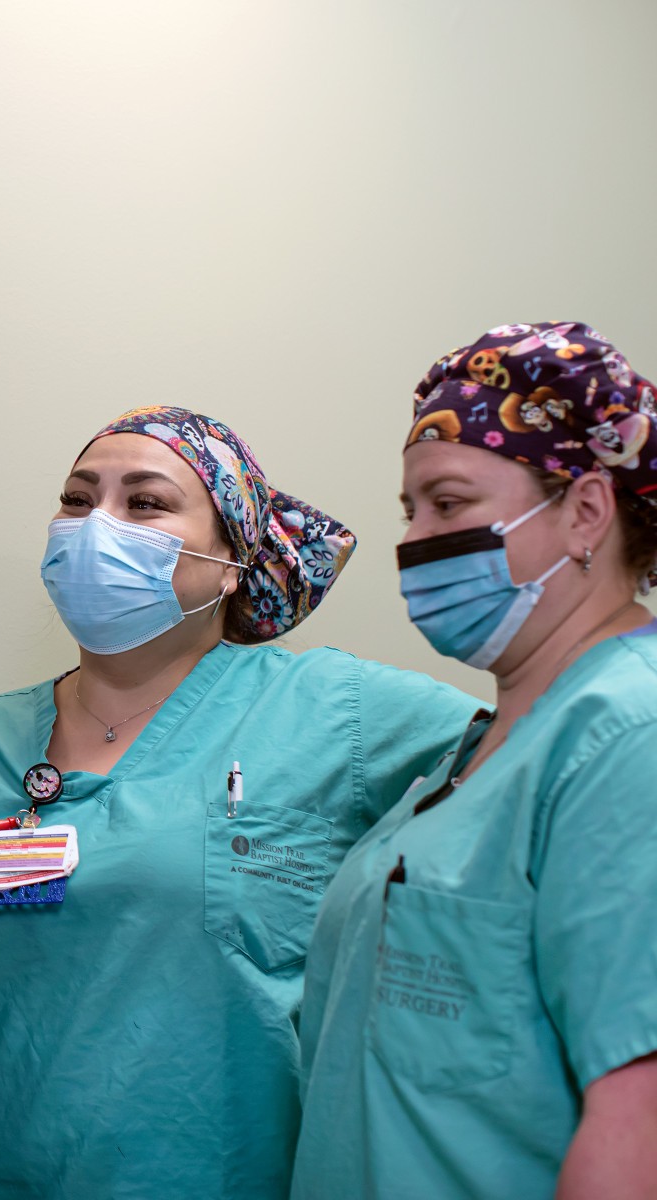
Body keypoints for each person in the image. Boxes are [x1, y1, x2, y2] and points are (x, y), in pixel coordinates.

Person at [0, 405, 482, 1199]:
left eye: (145, 503)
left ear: (234, 560)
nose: (96, 526)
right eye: (77, 500)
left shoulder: (332, 711)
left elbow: (551, 754)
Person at [293, 322, 657, 1198]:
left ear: (585, 511)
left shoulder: (629, 736)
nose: (416, 540)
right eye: (409, 510)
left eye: (448, 505)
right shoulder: (480, 751)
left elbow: (639, 1118)